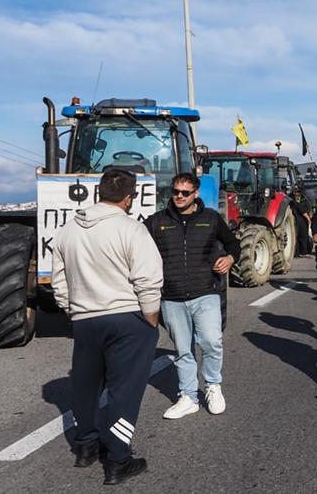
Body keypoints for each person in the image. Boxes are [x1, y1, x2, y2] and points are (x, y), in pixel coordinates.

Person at [52, 169, 163, 486]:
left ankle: (85, 447)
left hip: (85, 318)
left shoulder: (68, 230)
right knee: (123, 391)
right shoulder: (132, 229)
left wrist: (72, 310)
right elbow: (148, 279)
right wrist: (150, 318)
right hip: (126, 317)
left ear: (98, 192)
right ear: (130, 197)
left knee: (86, 387)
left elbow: (59, 281)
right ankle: (118, 460)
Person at [145, 173, 240, 420]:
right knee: (183, 350)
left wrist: (229, 259)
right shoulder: (157, 221)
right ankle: (188, 396)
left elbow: (233, 244)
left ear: (195, 194)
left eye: (184, 193)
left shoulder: (210, 219)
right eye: (175, 191)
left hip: (205, 292)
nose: (178, 196)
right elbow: (137, 248)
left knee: (211, 341)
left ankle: (212, 386)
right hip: (172, 296)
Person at [291, 188, 313, 256]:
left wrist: (310, 214)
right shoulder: (290, 198)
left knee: (304, 235)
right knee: (296, 235)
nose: (297, 193)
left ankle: (304, 251)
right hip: (296, 217)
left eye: (298, 191)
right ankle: (296, 252)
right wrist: (306, 215)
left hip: (303, 219)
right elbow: (298, 206)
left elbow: (308, 206)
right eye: (295, 191)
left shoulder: (304, 198)